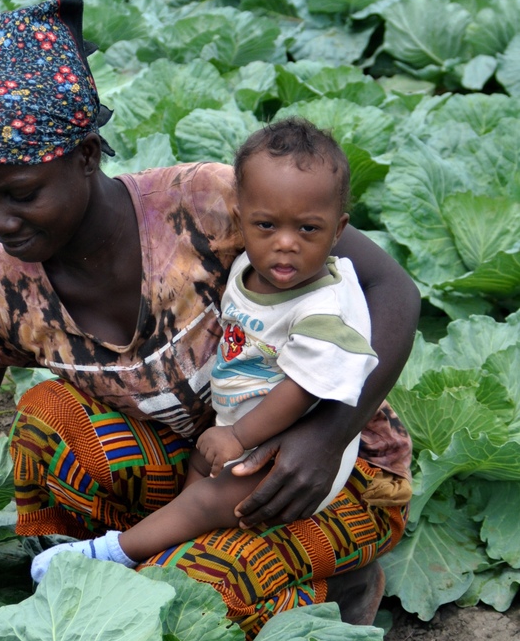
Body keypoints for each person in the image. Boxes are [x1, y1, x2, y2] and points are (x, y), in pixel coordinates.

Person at [0, 0, 417, 641]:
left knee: (184, 601)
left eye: (21, 195)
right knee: (49, 422)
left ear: (84, 157)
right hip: (204, 471)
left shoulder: (211, 206)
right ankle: (142, 564)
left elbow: (392, 290)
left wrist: (329, 434)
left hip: (329, 471)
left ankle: (340, 580)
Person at [29, 118, 379, 580]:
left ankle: (117, 552)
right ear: (242, 218)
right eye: (266, 225)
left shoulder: (326, 308)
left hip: (289, 449)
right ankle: (178, 543)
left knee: (206, 501)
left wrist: (237, 438)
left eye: (309, 229)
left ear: (339, 231)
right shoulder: (247, 271)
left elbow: (300, 390)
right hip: (237, 430)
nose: (286, 244)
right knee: (197, 482)